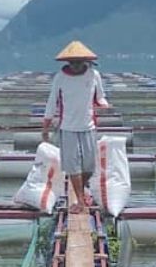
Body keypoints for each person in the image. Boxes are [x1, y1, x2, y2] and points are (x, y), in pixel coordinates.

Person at [41, 40, 111, 213]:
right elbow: (52, 102)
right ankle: (80, 201)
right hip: (68, 127)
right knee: (72, 166)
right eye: (72, 62)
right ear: (67, 62)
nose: (75, 66)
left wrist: (105, 105)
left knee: (89, 166)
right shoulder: (60, 77)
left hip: (88, 125)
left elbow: (100, 96)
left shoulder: (94, 75)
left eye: (79, 62)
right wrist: (46, 126)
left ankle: (82, 189)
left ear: (85, 62)